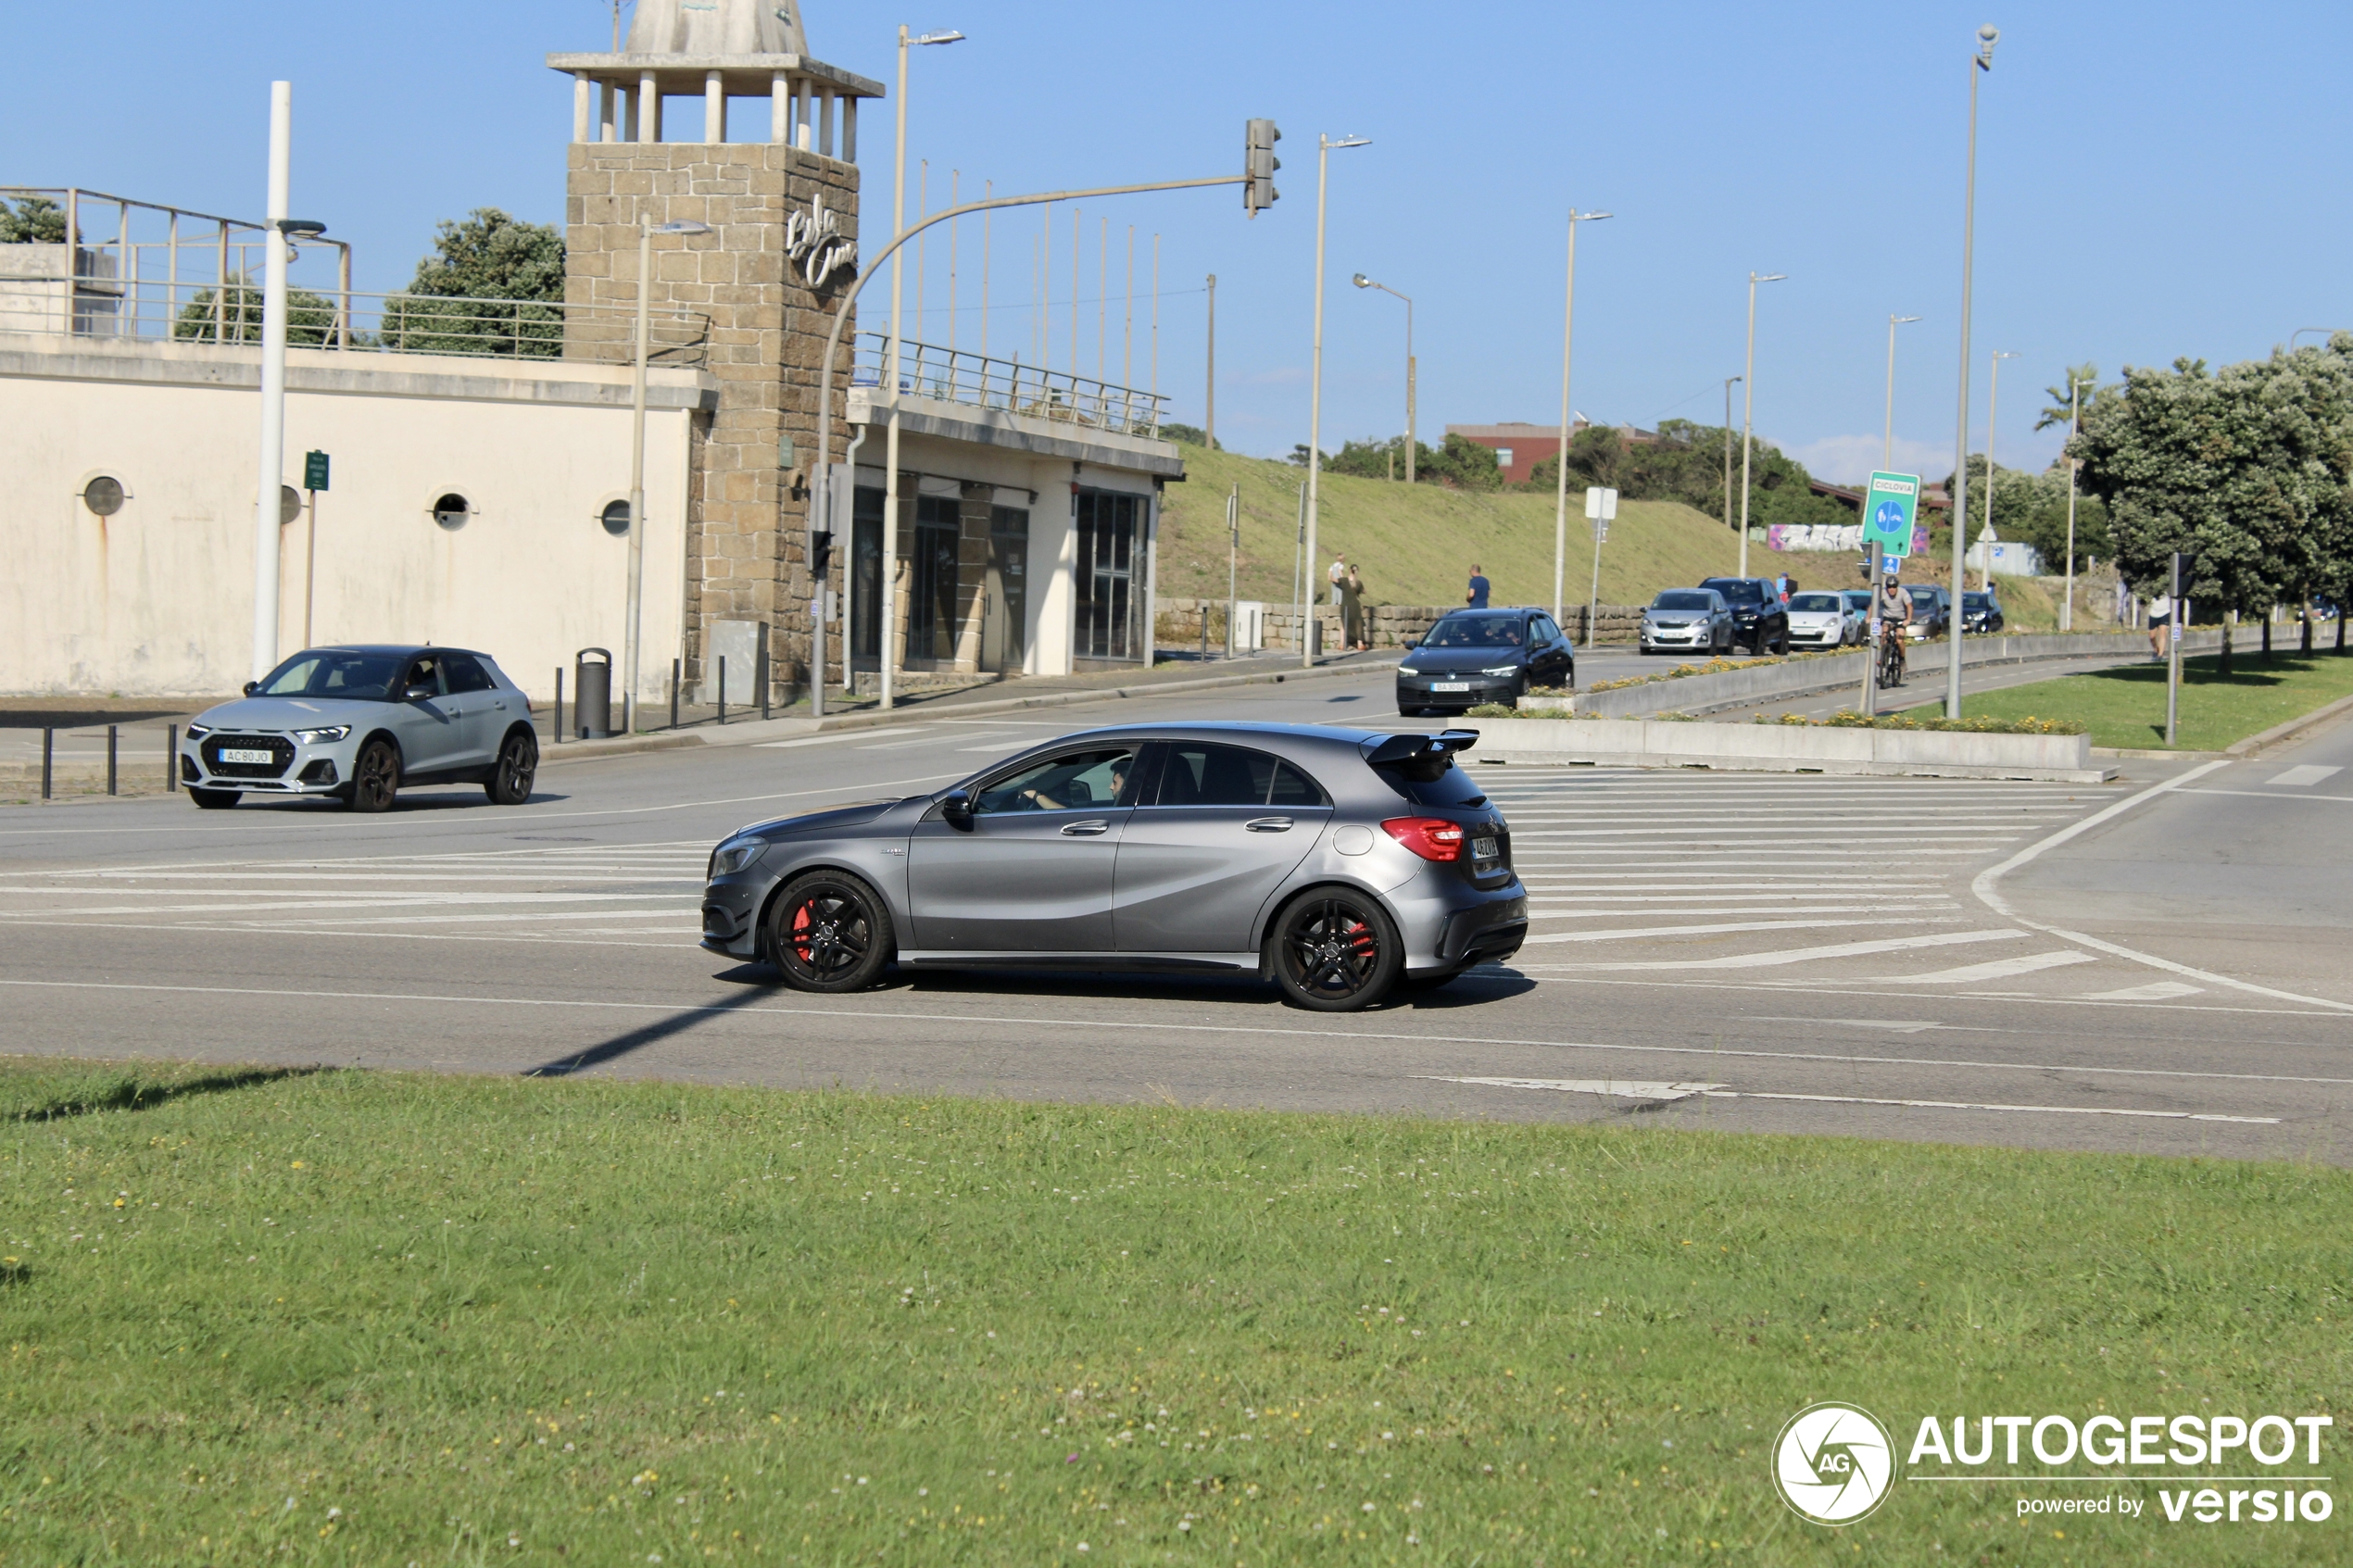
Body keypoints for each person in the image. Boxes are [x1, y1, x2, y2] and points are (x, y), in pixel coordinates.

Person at [1876, 574, 1912, 679]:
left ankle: (1901, 660)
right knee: (1884, 636)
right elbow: (1873, 604)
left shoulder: (1903, 593)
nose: (1891, 589)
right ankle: (1883, 657)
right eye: (1889, 587)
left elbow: (1909, 606)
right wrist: (1870, 617)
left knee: (1899, 640)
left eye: (1894, 587)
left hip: (1900, 619)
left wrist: (1908, 620)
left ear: (1897, 587)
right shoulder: (1883, 593)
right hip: (1888, 618)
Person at [1341, 563, 1367, 651]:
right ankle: (1360, 643)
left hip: (1345, 606)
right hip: (1355, 606)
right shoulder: (1358, 583)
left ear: (1350, 570)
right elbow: (1364, 591)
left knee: (1344, 624)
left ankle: (1343, 643)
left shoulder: (1345, 581)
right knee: (1358, 624)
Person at [2146, 583, 2171, 660]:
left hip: (2165, 612)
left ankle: (2160, 655)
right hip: (2153, 613)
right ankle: (2155, 649)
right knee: (2152, 636)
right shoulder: (2152, 588)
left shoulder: (2167, 586)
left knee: (2163, 633)